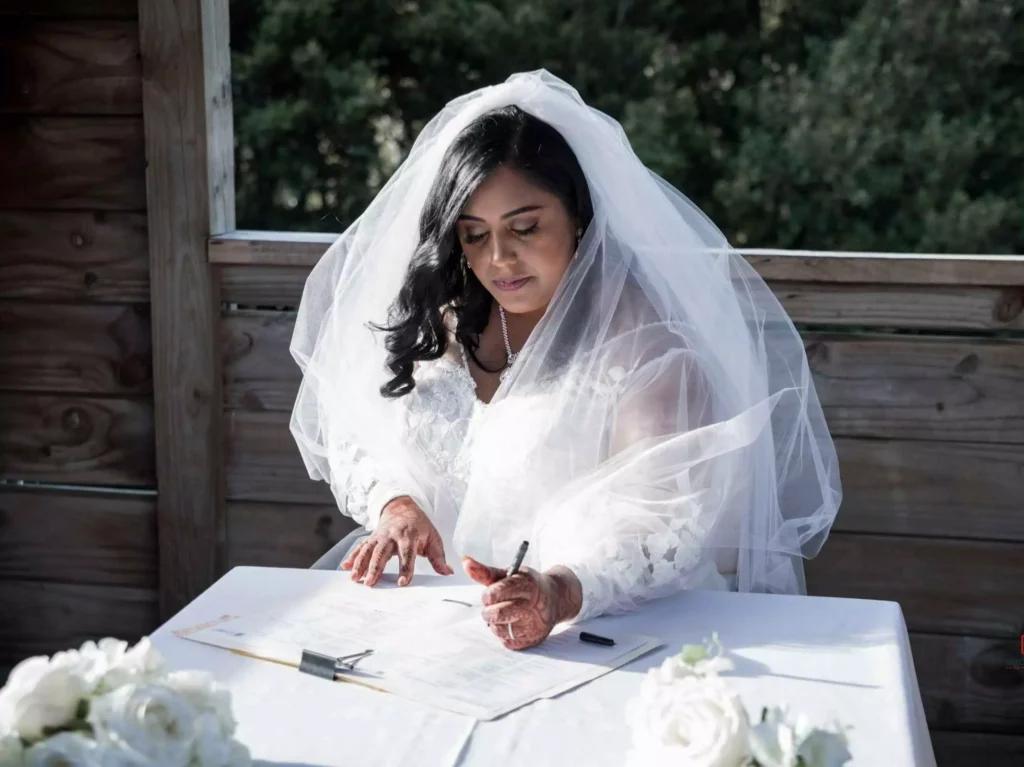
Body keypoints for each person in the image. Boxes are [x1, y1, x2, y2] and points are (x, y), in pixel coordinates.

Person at [290, 71, 842, 651]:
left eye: (525, 227)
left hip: (593, 632)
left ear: (577, 214)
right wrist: (396, 503)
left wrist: (558, 591)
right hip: (428, 620)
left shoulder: (648, 347)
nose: (499, 258)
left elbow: (659, 521)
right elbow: (360, 425)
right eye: (474, 235)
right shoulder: (441, 323)